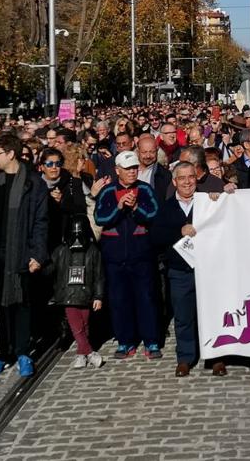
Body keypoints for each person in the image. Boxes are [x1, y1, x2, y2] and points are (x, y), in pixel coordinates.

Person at [0, 133, 49, 377]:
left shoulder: (33, 184)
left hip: (22, 252)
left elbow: (40, 221)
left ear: (10, 154)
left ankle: (23, 351)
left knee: (22, 305)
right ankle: (2, 352)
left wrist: (37, 254)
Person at [151, 162, 225, 376]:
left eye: (191, 177)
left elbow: (227, 217)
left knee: (211, 313)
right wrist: (179, 231)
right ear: (174, 182)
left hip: (209, 270)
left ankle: (215, 357)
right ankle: (185, 357)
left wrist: (223, 195)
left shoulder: (208, 203)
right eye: (182, 178)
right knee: (184, 316)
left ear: (196, 179)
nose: (187, 182)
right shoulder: (166, 208)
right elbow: (155, 237)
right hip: (180, 271)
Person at [92, 150, 162, 360]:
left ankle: (151, 340)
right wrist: (119, 207)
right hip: (114, 257)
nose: (132, 172)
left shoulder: (145, 189)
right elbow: (100, 217)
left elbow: (153, 213)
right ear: (117, 170)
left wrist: (137, 208)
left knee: (146, 299)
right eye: (128, 169)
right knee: (119, 300)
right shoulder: (107, 191)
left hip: (141, 255)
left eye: (134, 168)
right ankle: (125, 341)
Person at [47, 215, 105, 370]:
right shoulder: (60, 251)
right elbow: (50, 270)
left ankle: (81, 354)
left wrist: (98, 296)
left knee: (84, 325)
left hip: (85, 295)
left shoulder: (93, 252)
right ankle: (90, 353)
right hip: (67, 296)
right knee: (76, 327)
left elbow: (99, 276)